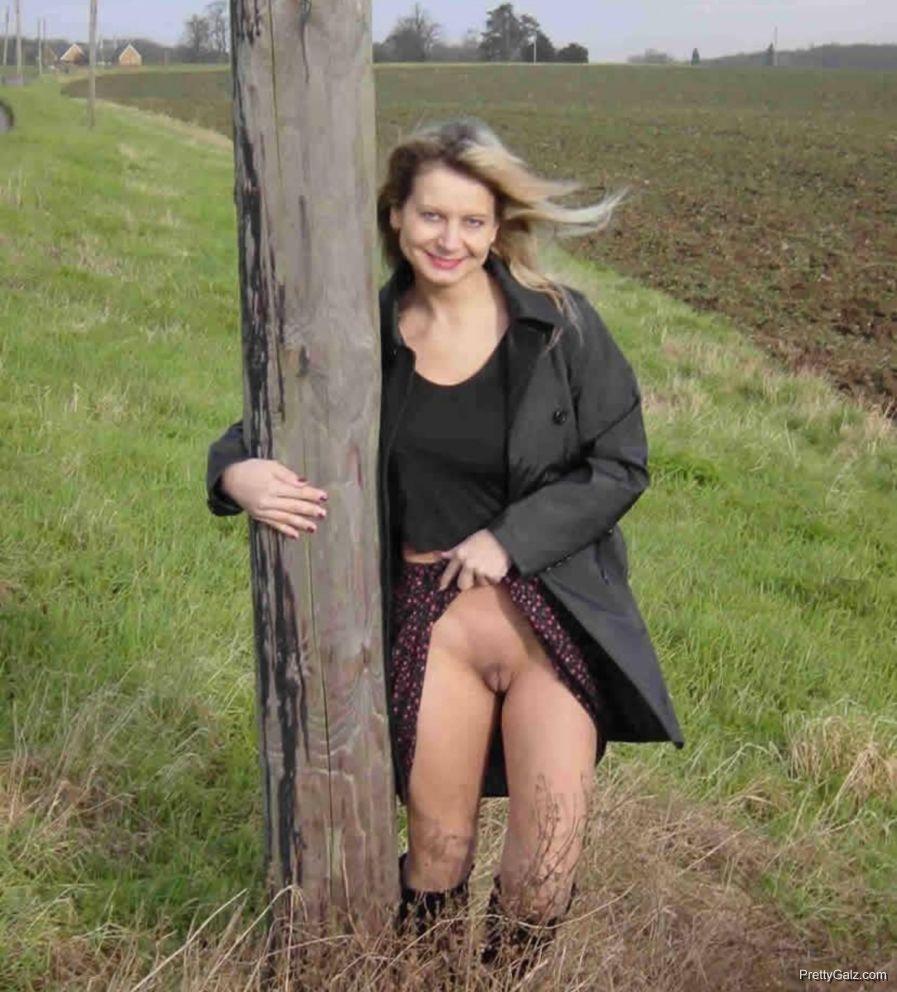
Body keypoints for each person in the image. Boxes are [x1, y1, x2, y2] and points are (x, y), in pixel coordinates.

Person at [206, 118, 684, 981]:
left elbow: (620, 463)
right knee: (437, 851)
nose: (449, 240)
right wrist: (234, 472)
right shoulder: (360, 335)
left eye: (471, 221)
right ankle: (423, 976)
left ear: (497, 228)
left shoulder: (560, 327)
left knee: (544, 867)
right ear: (395, 214)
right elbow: (267, 424)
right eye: (431, 216)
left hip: (552, 623)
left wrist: (511, 538)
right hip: (434, 630)